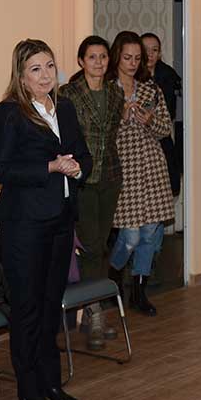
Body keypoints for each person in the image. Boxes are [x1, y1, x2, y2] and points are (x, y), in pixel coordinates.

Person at [0, 39, 92, 400]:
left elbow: (84, 155)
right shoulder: (9, 113)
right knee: (28, 308)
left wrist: (77, 169)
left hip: (61, 218)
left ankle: (51, 382)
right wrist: (50, 167)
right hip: (24, 223)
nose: (46, 75)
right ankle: (28, 388)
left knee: (52, 305)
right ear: (21, 76)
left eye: (49, 66)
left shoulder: (64, 108)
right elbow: (1, 170)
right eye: (35, 69)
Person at [59, 35, 124, 350]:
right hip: (82, 179)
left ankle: (93, 310)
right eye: (92, 57)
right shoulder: (68, 94)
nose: (99, 62)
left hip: (109, 176)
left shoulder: (115, 92)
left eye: (103, 57)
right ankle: (95, 313)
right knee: (90, 247)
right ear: (81, 61)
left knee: (101, 245)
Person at [106, 31, 174, 316]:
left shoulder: (151, 88)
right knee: (131, 236)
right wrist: (121, 118)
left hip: (152, 167)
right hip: (124, 170)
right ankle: (112, 275)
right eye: (127, 58)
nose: (133, 63)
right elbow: (100, 134)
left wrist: (150, 120)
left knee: (149, 234)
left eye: (137, 58)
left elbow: (166, 128)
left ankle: (139, 291)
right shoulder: (107, 90)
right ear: (116, 57)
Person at [141, 32, 182, 197]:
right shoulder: (128, 77)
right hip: (137, 145)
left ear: (159, 54)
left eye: (154, 50)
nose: (150, 54)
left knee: (164, 194)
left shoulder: (168, 76)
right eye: (145, 49)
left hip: (161, 141)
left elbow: (168, 114)